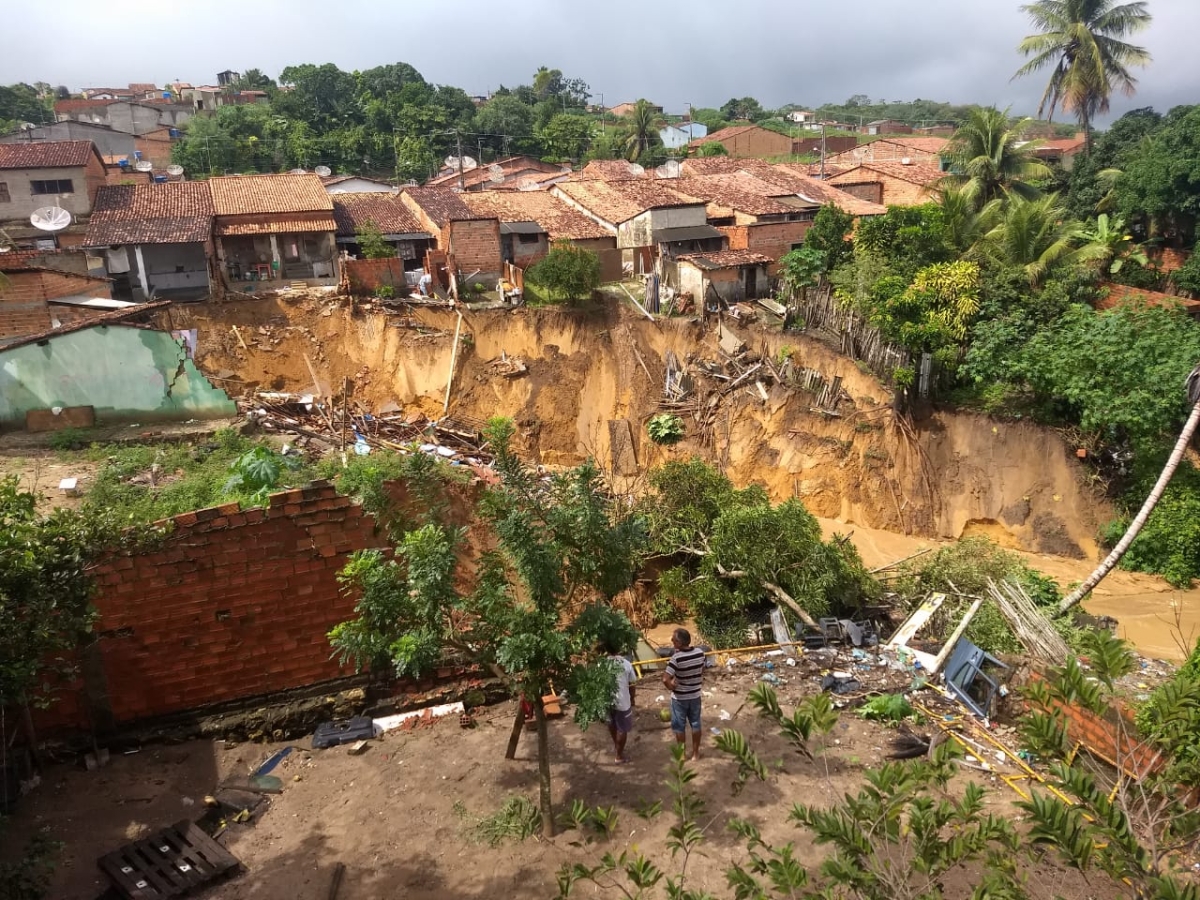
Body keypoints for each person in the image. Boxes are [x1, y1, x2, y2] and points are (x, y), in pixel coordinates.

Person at [663, 627, 706, 760]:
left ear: (680, 643)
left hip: (680, 698)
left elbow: (665, 679)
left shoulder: (676, 658)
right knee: (695, 723)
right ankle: (696, 754)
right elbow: (702, 668)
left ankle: (681, 755)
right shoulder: (700, 653)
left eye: (673, 640)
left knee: (679, 727)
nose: (672, 641)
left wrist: (671, 686)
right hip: (695, 695)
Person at [605, 644, 637, 763]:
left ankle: (617, 746)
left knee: (612, 724)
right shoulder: (626, 664)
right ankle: (619, 756)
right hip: (623, 702)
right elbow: (632, 685)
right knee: (622, 729)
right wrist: (632, 699)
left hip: (607, 702)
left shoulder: (601, 665)